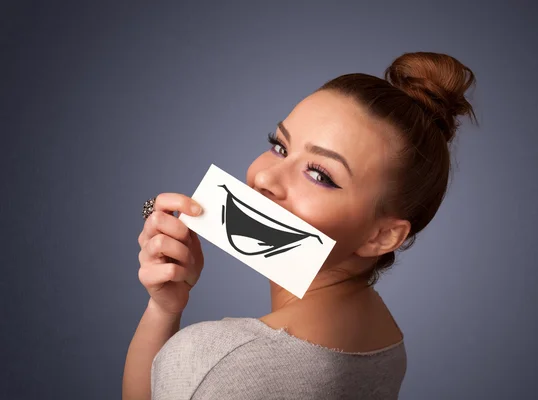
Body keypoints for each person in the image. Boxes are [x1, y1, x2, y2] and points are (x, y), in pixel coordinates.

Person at [122, 51, 477, 400]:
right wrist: (165, 308)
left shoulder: (223, 360)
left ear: (382, 236)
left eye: (319, 174)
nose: (263, 177)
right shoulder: (383, 336)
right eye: (280, 147)